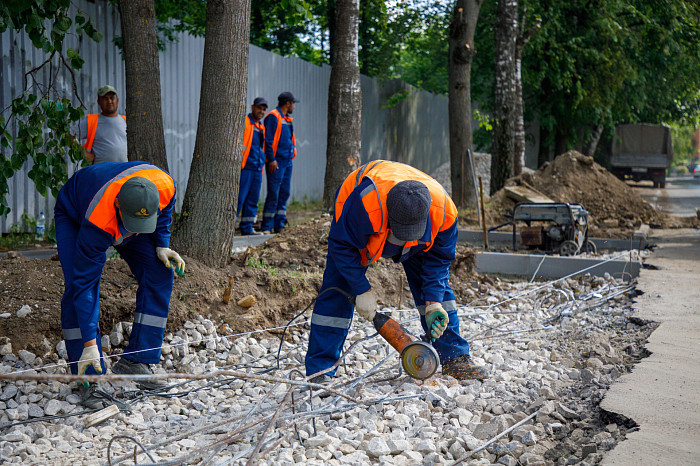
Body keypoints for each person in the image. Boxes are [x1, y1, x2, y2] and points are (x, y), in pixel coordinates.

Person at [305, 160, 488, 382]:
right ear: (389, 217)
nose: (407, 239)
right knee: (338, 287)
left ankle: (454, 357)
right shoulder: (363, 204)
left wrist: (434, 303)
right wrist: (360, 289)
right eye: (403, 234)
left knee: (438, 290)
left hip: (416, 223)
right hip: (358, 223)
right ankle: (320, 371)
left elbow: (438, 261)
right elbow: (341, 247)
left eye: (413, 233)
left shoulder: (444, 213)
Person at [54, 161, 185, 408]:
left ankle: (137, 360)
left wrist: (161, 244)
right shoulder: (98, 221)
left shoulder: (164, 186)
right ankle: (86, 377)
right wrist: (91, 345)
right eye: (128, 226)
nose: (128, 235)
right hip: (75, 214)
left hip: (128, 213)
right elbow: (85, 285)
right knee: (75, 287)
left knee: (159, 271)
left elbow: (165, 212)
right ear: (118, 206)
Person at [261, 91, 298, 234]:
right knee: (274, 194)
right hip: (276, 163)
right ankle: (266, 227)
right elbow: (268, 141)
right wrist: (271, 159)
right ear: (287, 103)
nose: (294, 106)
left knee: (284, 193)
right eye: (293, 103)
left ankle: (279, 225)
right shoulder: (273, 117)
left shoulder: (287, 119)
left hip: (287, 161)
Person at [236, 97, 268, 235]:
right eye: (259, 108)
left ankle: (247, 227)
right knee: (239, 198)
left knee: (253, 199)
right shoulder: (244, 122)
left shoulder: (261, 127)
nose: (261, 111)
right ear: (252, 107)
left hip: (257, 168)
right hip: (245, 167)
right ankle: (228, 229)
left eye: (263, 109)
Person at [79, 85, 128, 164]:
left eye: (112, 98)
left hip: (124, 172)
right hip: (102, 173)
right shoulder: (91, 121)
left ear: (117, 100)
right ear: (99, 102)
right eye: (105, 98)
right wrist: (85, 154)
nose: (109, 101)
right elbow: (69, 136)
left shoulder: (126, 121)